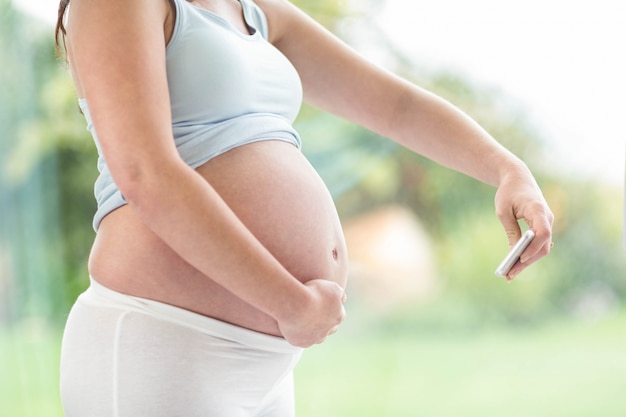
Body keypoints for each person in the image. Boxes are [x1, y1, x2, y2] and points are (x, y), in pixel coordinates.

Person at [54, 0, 554, 415]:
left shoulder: (250, 9)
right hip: (162, 344)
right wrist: (287, 303)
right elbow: (146, 175)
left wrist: (507, 168)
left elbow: (393, 106)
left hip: (266, 363)